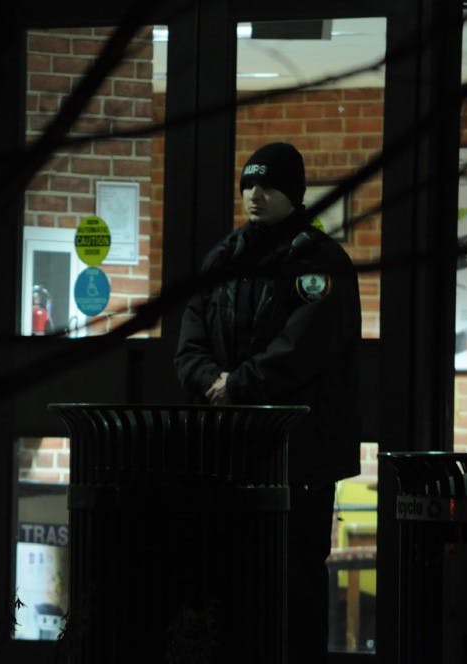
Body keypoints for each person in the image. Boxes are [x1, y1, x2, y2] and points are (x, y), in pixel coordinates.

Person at [173, 142, 361, 663]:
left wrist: (236, 385)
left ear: (293, 192)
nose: (254, 195)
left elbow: (304, 348)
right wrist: (212, 379)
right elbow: (189, 341)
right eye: (248, 185)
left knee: (294, 577)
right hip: (231, 454)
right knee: (229, 579)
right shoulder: (224, 257)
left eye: (268, 185)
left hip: (299, 454)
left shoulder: (318, 261)